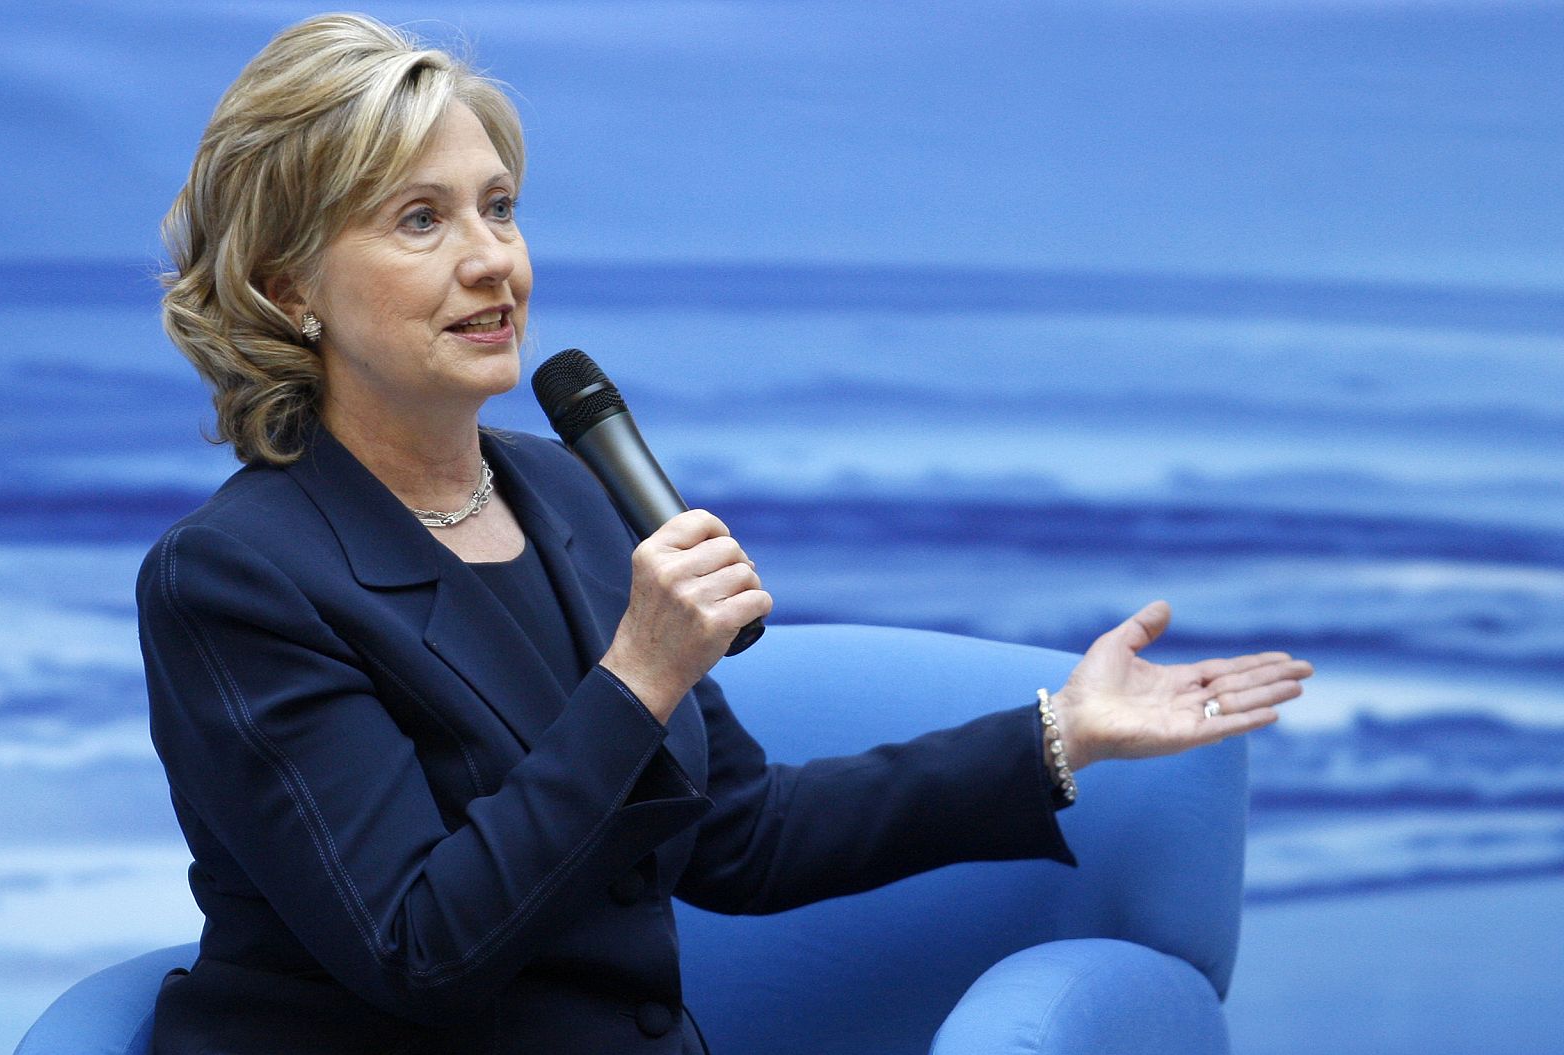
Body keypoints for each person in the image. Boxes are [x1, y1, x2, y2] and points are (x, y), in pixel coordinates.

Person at [138, 13, 1313, 1054]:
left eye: (500, 207)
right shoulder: (235, 578)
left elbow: (743, 834)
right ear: (289, 286)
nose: (492, 257)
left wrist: (1060, 736)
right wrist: (638, 671)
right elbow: (419, 946)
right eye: (419, 219)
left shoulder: (566, 492)